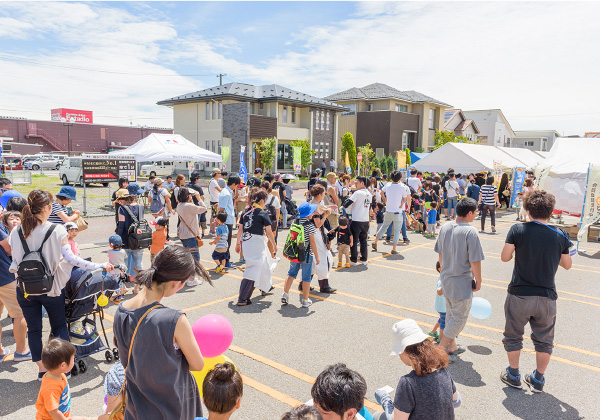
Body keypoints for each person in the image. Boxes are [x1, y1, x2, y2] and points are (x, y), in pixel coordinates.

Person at [10, 190, 111, 380]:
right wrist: (100, 265)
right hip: (52, 288)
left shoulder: (16, 230)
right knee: (58, 327)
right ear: (47, 208)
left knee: (34, 330)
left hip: (25, 289)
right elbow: (72, 259)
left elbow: (15, 257)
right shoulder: (57, 230)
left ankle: (42, 370)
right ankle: (59, 368)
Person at [113, 246, 211, 420]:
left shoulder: (121, 311)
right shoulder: (174, 320)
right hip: (171, 407)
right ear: (176, 283)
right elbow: (197, 364)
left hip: (137, 405)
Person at [499, 190, 572, 393]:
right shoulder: (560, 234)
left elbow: (505, 257)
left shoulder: (517, 230)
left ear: (528, 209)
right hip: (547, 297)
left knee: (513, 335)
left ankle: (514, 375)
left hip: (520, 293)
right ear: (551, 211)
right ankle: (538, 379)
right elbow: (568, 264)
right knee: (544, 340)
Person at [374, 319, 460, 420]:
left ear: (405, 351)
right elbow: (457, 401)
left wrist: (385, 400)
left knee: (377, 416)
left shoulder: (408, 383)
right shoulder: (443, 370)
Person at [434, 198, 484, 363]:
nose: (476, 215)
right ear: (469, 213)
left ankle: (452, 347)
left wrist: (443, 272)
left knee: (450, 314)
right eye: (476, 212)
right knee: (459, 317)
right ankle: (441, 349)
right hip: (461, 282)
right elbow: (474, 260)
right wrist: (479, 280)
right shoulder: (471, 232)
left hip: (446, 278)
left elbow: (440, 253)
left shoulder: (446, 226)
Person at [35, 338, 104, 420]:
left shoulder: (59, 375)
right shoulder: (51, 387)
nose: (74, 361)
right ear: (63, 365)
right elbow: (53, 411)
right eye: (73, 359)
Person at [235, 190, 277, 305]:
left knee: (264, 263)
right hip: (257, 242)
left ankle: (265, 287)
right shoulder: (263, 213)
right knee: (254, 267)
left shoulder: (245, 212)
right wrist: (274, 245)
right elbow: (269, 231)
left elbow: (240, 230)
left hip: (247, 241)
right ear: (262, 201)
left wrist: (238, 244)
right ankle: (243, 298)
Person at [0, 210, 30, 362]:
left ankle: (0, 351)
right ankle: (22, 351)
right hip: (4, 276)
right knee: (20, 313)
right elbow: (9, 249)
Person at [281, 202, 320, 308]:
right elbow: (312, 242)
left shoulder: (295, 222)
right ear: (309, 214)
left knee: (291, 273)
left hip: (295, 252)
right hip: (306, 254)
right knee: (306, 277)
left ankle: (285, 294)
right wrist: (317, 256)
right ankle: (305, 300)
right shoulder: (310, 225)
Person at [176, 187, 207, 287]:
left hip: (183, 234)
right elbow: (204, 209)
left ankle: (187, 277)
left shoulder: (180, 205)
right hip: (190, 235)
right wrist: (199, 198)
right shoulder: (189, 206)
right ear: (187, 195)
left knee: (187, 257)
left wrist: (192, 198)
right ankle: (191, 279)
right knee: (194, 258)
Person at [372, 171, 408, 255]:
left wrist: (384, 199)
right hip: (397, 211)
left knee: (384, 227)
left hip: (388, 210)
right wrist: (402, 203)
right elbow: (405, 198)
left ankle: (375, 241)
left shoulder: (388, 185)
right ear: (399, 178)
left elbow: (381, 192)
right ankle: (394, 248)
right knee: (397, 230)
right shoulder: (402, 186)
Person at [309, 185, 335, 293]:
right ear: (319, 194)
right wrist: (326, 215)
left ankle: (304, 283)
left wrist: (327, 210)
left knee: (312, 259)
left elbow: (323, 208)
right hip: (315, 234)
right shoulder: (315, 206)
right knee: (323, 257)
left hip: (310, 233)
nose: (325, 195)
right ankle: (324, 286)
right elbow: (318, 224)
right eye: (324, 193)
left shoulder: (313, 203)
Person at [117, 188, 145, 281]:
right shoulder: (141, 206)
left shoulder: (122, 209)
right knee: (138, 263)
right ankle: (139, 282)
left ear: (123, 199)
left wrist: (118, 240)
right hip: (139, 239)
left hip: (126, 239)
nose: (119, 203)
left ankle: (125, 281)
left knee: (125, 263)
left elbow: (121, 226)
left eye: (119, 200)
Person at [343, 176, 372, 265]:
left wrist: (343, 207)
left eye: (357, 183)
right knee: (363, 240)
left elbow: (347, 203)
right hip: (365, 220)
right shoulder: (369, 194)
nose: (355, 184)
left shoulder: (357, 193)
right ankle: (364, 259)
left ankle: (354, 260)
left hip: (356, 220)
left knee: (354, 240)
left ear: (362, 183)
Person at [218, 176, 240, 266]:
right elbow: (222, 208)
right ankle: (225, 262)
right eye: (237, 185)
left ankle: (225, 260)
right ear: (234, 184)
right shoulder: (226, 193)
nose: (237, 187)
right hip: (226, 221)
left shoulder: (226, 191)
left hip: (227, 220)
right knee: (226, 242)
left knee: (226, 242)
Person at [429, 261, 445, 343]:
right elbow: (439, 292)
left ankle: (433, 332)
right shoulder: (442, 279)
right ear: (440, 269)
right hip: (443, 306)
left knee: (441, 318)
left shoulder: (444, 278)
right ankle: (440, 339)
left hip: (441, 305)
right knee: (443, 322)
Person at [208, 168, 223, 235]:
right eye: (219, 173)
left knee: (213, 216)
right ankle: (213, 231)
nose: (220, 174)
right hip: (215, 201)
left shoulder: (213, 180)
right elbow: (220, 190)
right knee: (215, 217)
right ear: (216, 174)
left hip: (213, 200)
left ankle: (211, 230)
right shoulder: (214, 181)